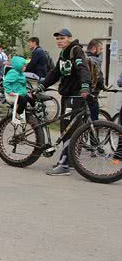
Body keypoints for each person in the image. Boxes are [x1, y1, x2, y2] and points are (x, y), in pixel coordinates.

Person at [41, 28, 91, 176]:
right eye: (57, 39)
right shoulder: (64, 53)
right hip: (67, 95)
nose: (59, 41)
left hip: (75, 95)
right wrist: (43, 85)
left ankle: (64, 165)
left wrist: (85, 86)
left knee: (68, 129)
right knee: (69, 128)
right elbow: (56, 72)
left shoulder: (75, 50)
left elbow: (83, 68)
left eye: (62, 38)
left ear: (69, 38)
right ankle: (71, 161)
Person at [3, 56, 29, 125]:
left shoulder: (20, 73)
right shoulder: (13, 73)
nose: (25, 67)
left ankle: (28, 111)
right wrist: (9, 91)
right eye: (24, 66)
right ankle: (17, 114)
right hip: (12, 94)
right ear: (19, 66)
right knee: (23, 100)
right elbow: (6, 82)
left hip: (19, 93)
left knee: (29, 98)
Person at [86, 39, 104, 120]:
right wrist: (102, 86)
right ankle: (93, 131)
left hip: (82, 91)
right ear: (94, 49)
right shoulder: (94, 60)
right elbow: (99, 77)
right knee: (94, 119)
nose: (101, 52)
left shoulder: (83, 57)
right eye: (100, 49)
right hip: (92, 92)